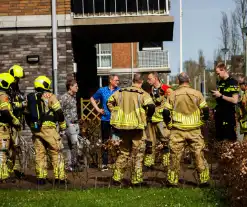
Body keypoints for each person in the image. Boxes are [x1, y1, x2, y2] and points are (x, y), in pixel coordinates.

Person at [107, 73, 155, 186]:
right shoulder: (143, 93)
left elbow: (108, 102)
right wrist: (147, 117)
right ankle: (136, 180)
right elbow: (152, 106)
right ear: (141, 82)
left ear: (133, 81)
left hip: (123, 127)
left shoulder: (120, 92)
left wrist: (116, 112)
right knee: (137, 155)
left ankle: (116, 178)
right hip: (137, 128)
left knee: (123, 153)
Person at [163, 72, 210, 187]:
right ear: (188, 80)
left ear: (178, 81)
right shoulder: (197, 94)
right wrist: (202, 122)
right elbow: (206, 110)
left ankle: (172, 182)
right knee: (199, 155)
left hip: (177, 130)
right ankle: (204, 180)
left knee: (175, 156)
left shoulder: (173, 95)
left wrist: (169, 124)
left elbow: (165, 112)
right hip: (194, 130)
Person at [25, 76, 67, 185]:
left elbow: (26, 115)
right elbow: (59, 112)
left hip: (36, 130)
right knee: (56, 151)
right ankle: (60, 178)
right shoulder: (50, 96)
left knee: (40, 154)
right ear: (46, 85)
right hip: (49, 130)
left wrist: (32, 127)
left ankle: (40, 178)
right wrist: (62, 125)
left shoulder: (30, 98)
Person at [90, 74, 120, 171]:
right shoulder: (102, 90)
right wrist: (98, 109)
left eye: (118, 80)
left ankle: (116, 162)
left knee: (116, 141)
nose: (117, 82)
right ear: (110, 80)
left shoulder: (119, 91)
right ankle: (104, 163)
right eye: (116, 80)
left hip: (116, 120)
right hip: (105, 119)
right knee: (105, 141)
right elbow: (92, 99)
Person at [144, 72, 171, 168]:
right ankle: (148, 164)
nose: (148, 81)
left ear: (156, 78)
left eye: (150, 78)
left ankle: (166, 163)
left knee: (165, 142)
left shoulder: (165, 88)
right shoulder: (149, 89)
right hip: (151, 120)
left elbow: (172, 100)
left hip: (161, 120)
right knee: (150, 142)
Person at [0, 73, 21, 182]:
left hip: (4, 128)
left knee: (7, 150)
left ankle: (7, 173)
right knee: (2, 151)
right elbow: (5, 112)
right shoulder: (3, 96)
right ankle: (3, 176)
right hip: (2, 128)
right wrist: (14, 120)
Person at [212, 62, 239, 142]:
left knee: (229, 140)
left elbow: (235, 100)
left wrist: (221, 96)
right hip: (220, 115)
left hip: (228, 116)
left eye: (218, 73)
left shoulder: (233, 82)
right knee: (219, 139)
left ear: (223, 70)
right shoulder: (220, 82)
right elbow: (221, 97)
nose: (217, 75)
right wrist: (216, 95)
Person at [7, 65, 26, 179]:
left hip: (17, 122)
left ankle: (15, 169)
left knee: (16, 147)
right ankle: (8, 170)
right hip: (10, 122)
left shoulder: (16, 88)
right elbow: (10, 105)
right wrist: (21, 104)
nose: (18, 80)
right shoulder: (7, 89)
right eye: (17, 78)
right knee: (9, 147)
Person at [59, 79, 79, 171]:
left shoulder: (74, 97)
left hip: (75, 123)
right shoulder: (64, 98)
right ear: (70, 87)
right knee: (73, 144)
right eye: (76, 86)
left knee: (74, 145)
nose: (77, 87)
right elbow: (60, 111)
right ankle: (70, 165)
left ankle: (74, 164)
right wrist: (67, 124)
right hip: (69, 124)